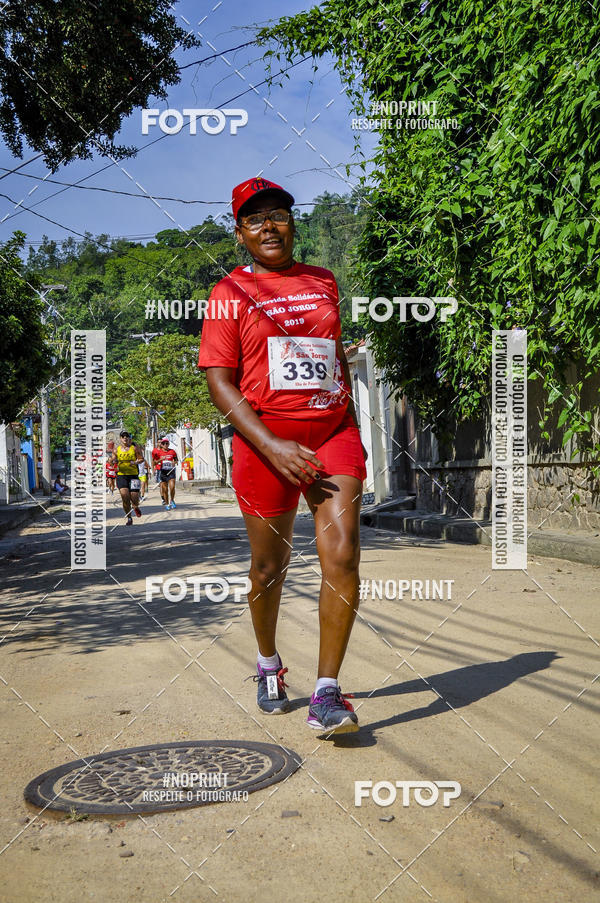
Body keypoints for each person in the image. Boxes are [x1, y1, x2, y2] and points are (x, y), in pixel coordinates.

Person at [198, 177, 367, 734]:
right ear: (240, 233)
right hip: (263, 444)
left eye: (278, 215)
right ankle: (269, 664)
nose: (268, 225)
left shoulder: (323, 280)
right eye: (254, 219)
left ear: (293, 224)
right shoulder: (229, 293)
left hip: (331, 436)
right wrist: (271, 444)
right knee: (270, 568)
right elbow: (220, 384)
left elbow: (334, 357)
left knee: (341, 555)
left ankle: (326, 693)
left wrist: (351, 422)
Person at [112, 430, 144, 526]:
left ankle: (135, 506)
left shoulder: (134, 449)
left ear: (129, 438)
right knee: (125, 497)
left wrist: (134, 462)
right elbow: (113, 460)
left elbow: (142, 459)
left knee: (134, 498)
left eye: (127, 436)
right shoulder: (116, 450)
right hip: (122, 475)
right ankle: (129, 518)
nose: (125, 438)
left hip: (133, 475)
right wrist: (114, 461)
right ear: (121, 439)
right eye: (123, 436)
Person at [155, 437, 178, 509]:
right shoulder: (158, 452)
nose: (165, 444)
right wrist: (160, 459)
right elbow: (155, 462)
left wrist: (174, 462)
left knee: (172, 487)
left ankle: (172, 500)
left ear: (169, 444)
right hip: (163, 472)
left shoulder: (172, 451)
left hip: (171, 471)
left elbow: (176, 460)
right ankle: (167, 503)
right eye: (163, 443)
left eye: (166, 443)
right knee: (165, 489)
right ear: (161, 444)